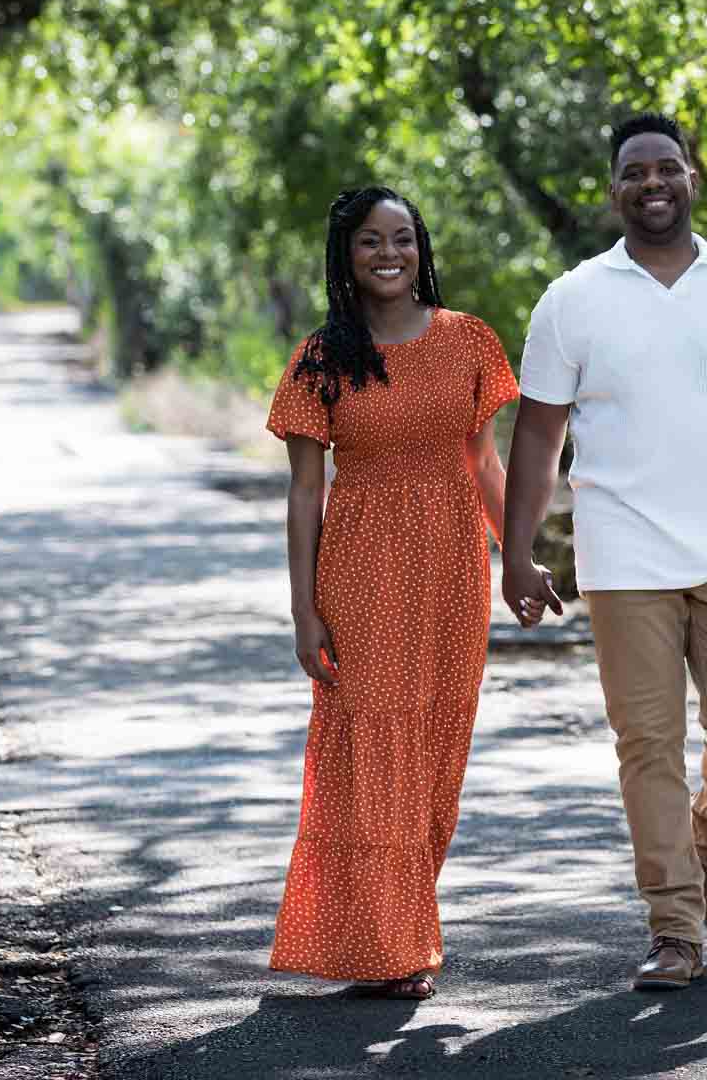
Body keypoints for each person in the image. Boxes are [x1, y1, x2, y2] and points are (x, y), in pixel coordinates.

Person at [501, 113, 707, 991]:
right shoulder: (572, 299)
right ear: (613, 192)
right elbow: (537, 440)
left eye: (666, 169)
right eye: (633, 174)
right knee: (646, 744)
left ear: (691, 178)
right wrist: (518, 549)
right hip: (622, 558)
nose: (651, 184)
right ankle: (674, 929)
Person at [266, 185, 526, 1000]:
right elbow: (305, 494)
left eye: (403, 239)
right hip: (363, 571)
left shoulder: (469, 342)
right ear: (346, 256)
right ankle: (391, 944)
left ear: (422, 249)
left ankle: (393, 925)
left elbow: (484, 464)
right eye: (371, 241)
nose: (389, 254)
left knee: (438, 747)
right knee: (378, 747)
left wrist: (518, 556)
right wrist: (305, 609)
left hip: (453, 569)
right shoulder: (322, 360)